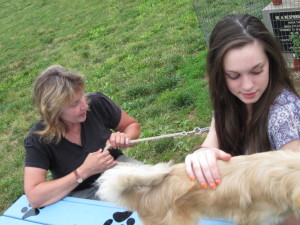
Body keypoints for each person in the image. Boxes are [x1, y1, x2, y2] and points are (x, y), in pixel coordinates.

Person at [185, 14, 300, 224]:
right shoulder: (228, 97)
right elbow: (211, 142)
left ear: (271, 63)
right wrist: (202, 155)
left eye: (257, 71)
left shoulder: (285, 114)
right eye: (234, 75)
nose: (247, 86)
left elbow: (293, 206)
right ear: (220, 74)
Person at [24, 65, 141, 208]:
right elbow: (35, 197)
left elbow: (131, 125)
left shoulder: (96, 103)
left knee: (158, 191)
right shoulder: (38, 139)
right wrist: (83, 172)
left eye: (82, 97)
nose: (85, 106)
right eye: (74, 104)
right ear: (53, 110)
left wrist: (125, 137)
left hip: (118, 169)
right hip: (79, 192)